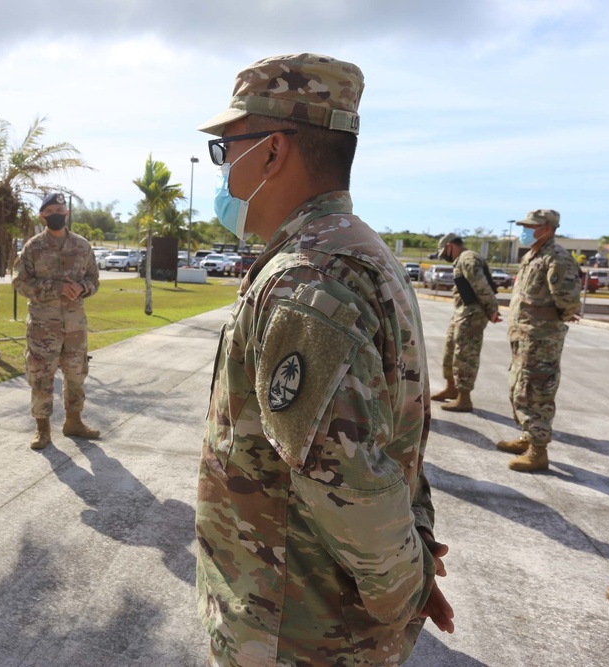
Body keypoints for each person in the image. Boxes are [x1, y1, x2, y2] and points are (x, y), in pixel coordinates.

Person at [194, 53, 453, 667]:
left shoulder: (306, 279)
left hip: (295, 627)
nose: (223, 168)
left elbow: (348, 482)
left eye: (226, 147)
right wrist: (412, 566)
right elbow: (387, 443)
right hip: (314, 617)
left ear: (272, 151)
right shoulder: (356, 251)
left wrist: (405, 588)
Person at [12, 192, 100, 450]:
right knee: (41, 376)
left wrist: (82, 288)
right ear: (42, 216)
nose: (56, 215)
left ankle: (74, 422)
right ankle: (42, 430)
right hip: (43, 327)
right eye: (50, 212)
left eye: (59, 210)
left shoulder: (83, 246)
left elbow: (94, 280)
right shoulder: (33, 247)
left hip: (75, 327)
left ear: (67, 213)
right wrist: (56, 288)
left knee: (76, 376)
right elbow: (20, 282)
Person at [496, 209, 581, 472]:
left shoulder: (557, 257)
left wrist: (561, 316)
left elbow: (567, 298)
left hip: (541, 340)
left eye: (531, 226)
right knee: (519, 388)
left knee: (537, 391)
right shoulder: (534, 255)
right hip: (524, 336)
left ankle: (538, 451)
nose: (525, 230)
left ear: (547, 228)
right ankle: (527, 436)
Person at [430, 233, 501, 412]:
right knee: (450, 352)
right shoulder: (462, 259)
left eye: (444, 252)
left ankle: (464, 398)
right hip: (462, 314)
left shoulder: (468, 259)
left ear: (449, 246)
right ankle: (452, 388)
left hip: (472, 315)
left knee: (465, 356)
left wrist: (492, 310)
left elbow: (482, 286)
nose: (444, 257)